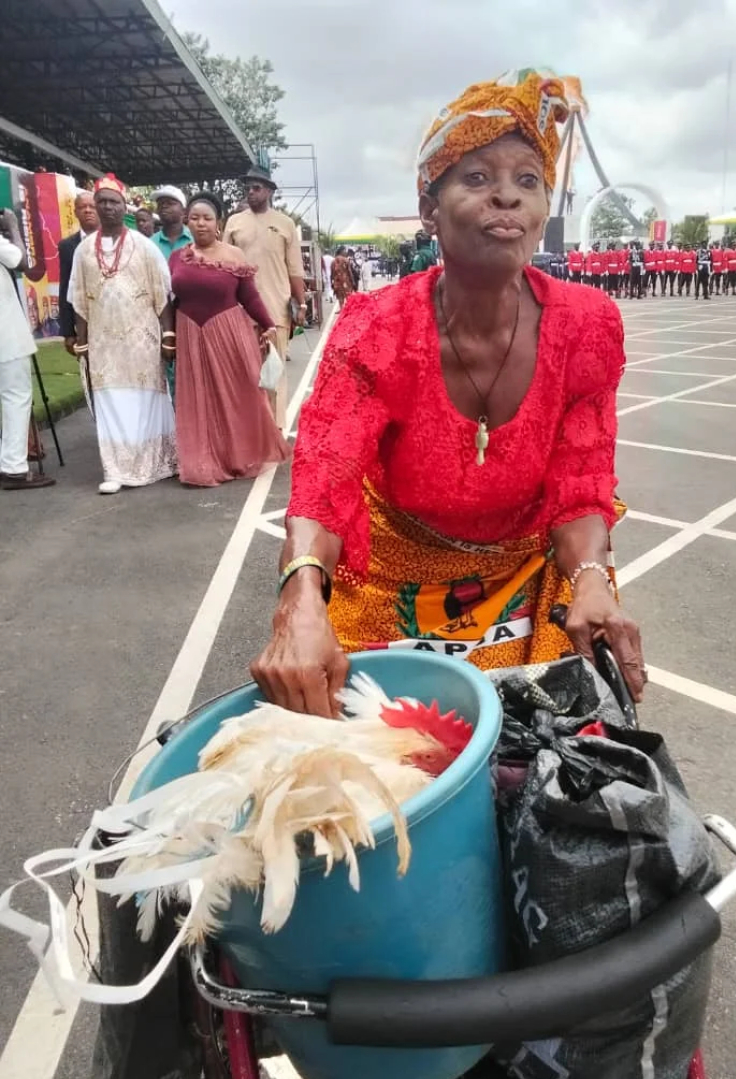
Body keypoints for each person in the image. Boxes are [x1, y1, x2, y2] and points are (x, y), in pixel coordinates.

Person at [251, 68, 645, 716]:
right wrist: (300, 594)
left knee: (557, 748)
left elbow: (580, 480)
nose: (508, 199)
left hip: (524, 579)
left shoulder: (587, 324)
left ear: (545, 208)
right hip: (391, 580)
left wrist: (594, 579)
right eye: (478, 178)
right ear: (429, 207)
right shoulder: (374, 326)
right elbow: (327, 472)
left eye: (528, 180)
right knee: (360, 747)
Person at [168, 191, 290, 487]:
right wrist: (169, 335)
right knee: (199, 398)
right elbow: (170, 300)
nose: (200, 224)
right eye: (194, 218)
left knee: (238, 394)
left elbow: (249, 296)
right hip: (190, 334)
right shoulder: (177, 258)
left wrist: (268, 324)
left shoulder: (233, 256)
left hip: (228, 333)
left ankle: (238, 456)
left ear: (218, 223)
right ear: (187, 222)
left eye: (207, 218)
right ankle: (203, 460)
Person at [68, 173, 176, 494]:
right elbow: (79, 299)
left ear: (124, 206)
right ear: (95, 207)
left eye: (114, 202)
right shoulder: (84, 250)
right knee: (111, 402)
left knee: (145, 400)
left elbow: (162, 294)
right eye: (101, 202)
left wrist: (168, 335)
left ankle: (157, 462)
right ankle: (115, 469)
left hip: (141, 338)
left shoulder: (144, 247)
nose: (107, 207)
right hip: (104, 342)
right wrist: (81, 337)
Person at [225, 165, 307, 428]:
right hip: (241, 312)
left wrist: (302, 303)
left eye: (257, 187)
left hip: (276, 312)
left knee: (274, 371)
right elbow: (224, 266)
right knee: (246, 373)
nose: (251, 192)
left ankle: (276, 428)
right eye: (248, 187)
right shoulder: (234, 223)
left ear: (270, 191)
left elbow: (294, 269)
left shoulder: (285, 224)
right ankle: (252, 430)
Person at [0, 209, 55, 489]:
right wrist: (12, 227)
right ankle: (13, 468)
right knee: (16, 397)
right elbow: (21, 261)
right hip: (5, 336)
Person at [59, 191, 98, 357]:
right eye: (82, 207)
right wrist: (68, 332)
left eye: (92, 206)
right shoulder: (67, 246)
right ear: (75, 212)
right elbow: (66, 287)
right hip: (84, 322)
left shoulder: (114, 239)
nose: (88, 210)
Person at [151, 186, 192, 261]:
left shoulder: (195, 240)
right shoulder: (150, 243)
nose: (164, 206)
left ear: (184, 211)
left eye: (170, 203)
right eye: (160, 203)